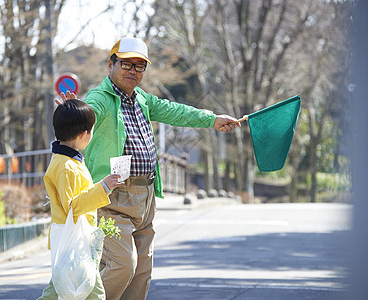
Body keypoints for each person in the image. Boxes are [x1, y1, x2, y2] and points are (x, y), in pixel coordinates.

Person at [57, 37, 240, 300]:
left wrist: (212, 119)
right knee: (123, 264)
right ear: (111, 64)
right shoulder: (100, 97)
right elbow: (89, 113)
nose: (133, 70)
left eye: (139, 66)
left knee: (142, 271)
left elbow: (175, 111)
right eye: (126, 64)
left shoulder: (141, 98)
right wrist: (75, 112)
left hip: (145, 198)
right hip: (111, 198)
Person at [38, 99, 124, 300]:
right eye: (91, 130)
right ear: (83, 135)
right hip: (74, 238)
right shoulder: (66, 166)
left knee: (56, 291)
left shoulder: (67, 159)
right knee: (94, 294)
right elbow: (72, 206)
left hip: (73, 237)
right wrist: (103, 187)